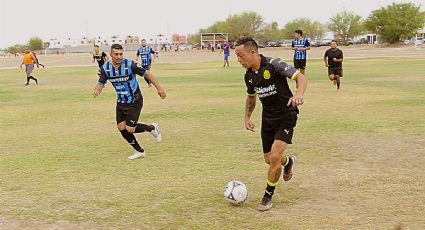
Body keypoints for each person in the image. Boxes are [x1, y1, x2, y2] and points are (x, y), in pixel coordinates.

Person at [235, 37, 307, 211]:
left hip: (286, 115)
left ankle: (267, 196)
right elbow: (251, 98)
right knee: (270, 159)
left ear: (253, 51)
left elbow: (301, 78)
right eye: (237, 56)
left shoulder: (274, 65)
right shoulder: (249, 76)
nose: (238, 60)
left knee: (274, 157)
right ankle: (288, 162)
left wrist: (298, 94)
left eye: (240, 55)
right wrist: (247, 117)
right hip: (268, 119)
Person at [93, 44, 166, 160]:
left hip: (135, 100)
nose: (119, 56)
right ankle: (139, 151)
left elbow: (147, 74)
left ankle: (152, 128)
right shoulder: (105, 68)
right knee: (121, 127)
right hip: (121, 101)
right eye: (116, 54)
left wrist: (159, 88)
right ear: (111, 54)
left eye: (121, 54)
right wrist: (97, 90)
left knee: (130, 128)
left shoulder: (130, 64)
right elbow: (101, 82)